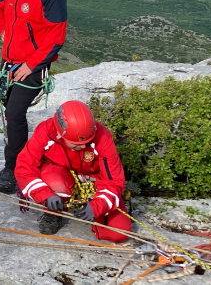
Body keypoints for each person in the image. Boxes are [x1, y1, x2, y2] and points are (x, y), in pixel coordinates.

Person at [0, 0, 67, 194]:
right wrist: (2, 30)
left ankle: (16, 170)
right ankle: (13, 164)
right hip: (9, 63)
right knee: (10, 114)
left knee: (16, 115)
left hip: (32, 66)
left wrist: (31, 64)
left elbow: (56, 37)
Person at [15, 100, 131, 242]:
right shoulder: (46, 132)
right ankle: (53, 212)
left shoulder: (102, 137)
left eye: (86, 142)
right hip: (60, 176)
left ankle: (89, 211)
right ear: (60, 134)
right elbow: (24, 168)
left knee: (118, 233)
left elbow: (114, 181)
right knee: (55, 181)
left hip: (94, 183)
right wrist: (45, 195)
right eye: (76, 144)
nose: (83, 147)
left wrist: (97, 207)